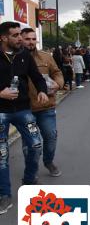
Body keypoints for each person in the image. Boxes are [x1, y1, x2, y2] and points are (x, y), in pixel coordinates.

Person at [0, 22, 49, 214]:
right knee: (1, 155)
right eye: (15, 35)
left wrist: (42, 91)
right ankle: (4, 195)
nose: (20, 38)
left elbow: (36, 77)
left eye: (21, 34)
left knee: (36, 145)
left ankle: (29, 179)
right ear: (3, 38)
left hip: (22, 109)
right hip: (1, 111)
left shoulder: (24, 55)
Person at [21, 28, 64, 178]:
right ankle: (31, 171)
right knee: (30, 143)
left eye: (33, 39)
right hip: (25, 109)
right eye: (27, 39)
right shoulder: (14, 59)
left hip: (46, 107)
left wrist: (58, 84)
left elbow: (57, 73)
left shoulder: (46, 57)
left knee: (51, 136)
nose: (31, 42)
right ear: (21, 39)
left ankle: (48, 161)